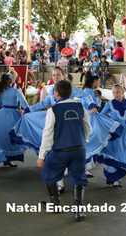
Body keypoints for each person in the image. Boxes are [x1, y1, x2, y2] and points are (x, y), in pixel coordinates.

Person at [37, 79, 90, 220]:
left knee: (49, 171)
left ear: (56, 93)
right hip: (79, 150)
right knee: (78, 178)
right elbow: (87, 127)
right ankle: (79, 211)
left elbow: (47, 134)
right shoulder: (80, 107)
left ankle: (55, 204)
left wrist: (42, 155)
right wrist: (83, 141)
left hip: (60, 151)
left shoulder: (53, 110)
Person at [0, 73, 29, 167]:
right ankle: (7, 160)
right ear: (10, 81)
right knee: (10, 138)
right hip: (14, 116)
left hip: (1, 115)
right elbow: (24, 103)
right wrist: (28, 111)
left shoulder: (2, 91)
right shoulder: (16, 91)